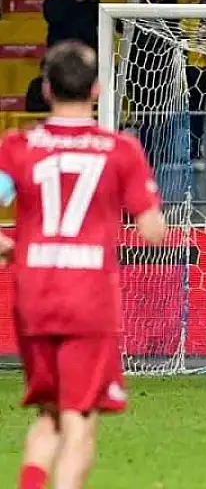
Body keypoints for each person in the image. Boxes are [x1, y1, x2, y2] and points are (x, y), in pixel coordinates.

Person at [0, 40, 167, 489]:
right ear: (96, 90)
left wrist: (9, 245)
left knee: (51, 412)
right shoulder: (119, 149)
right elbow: (153, 230)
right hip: (89, 297)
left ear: (46, 90)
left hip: (34, 295)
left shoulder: (18, 146)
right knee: (80, 417)